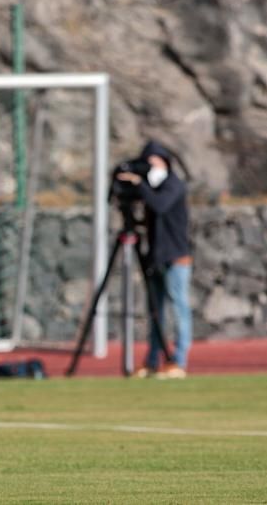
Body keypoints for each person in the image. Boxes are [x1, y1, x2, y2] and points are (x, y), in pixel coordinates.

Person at [117, 140, 192, 379]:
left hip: (175, 257)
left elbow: (159, 205)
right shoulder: (151, 187)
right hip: (155, 257)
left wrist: (140, 184)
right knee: (155, 312)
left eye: (152, 162)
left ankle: (178, 361)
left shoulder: (172, 185)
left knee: (179, 307)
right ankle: (152, 360)